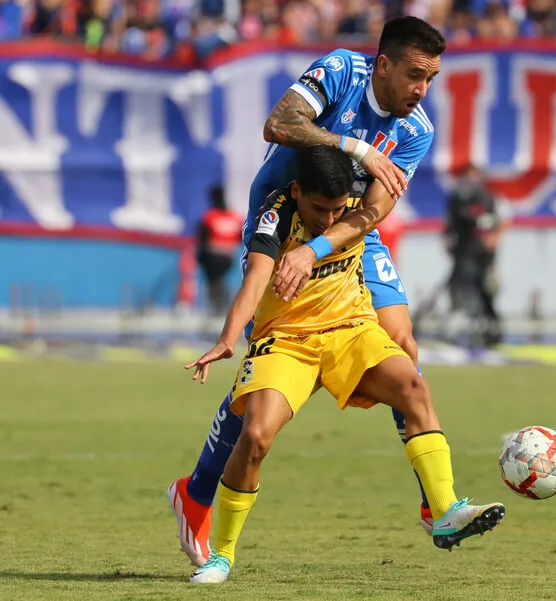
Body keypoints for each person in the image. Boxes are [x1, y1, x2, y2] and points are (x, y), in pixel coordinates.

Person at [167, 15, 447, 568]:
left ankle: (434, 503)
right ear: (384, 65)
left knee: (404, 347)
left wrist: (318, 250)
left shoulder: (417, 132)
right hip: (283, 221)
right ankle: (197, 491)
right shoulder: (342, 70)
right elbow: (279, 123)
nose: (422, 90)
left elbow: (374, 212)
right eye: (415, 75)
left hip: (347, 231)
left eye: (431, 79)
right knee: (268, 374)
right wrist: (357, 149)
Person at [184, 146, 505, 584]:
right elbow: (257, 277)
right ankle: (221, 556)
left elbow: (379, 204)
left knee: (412, 384)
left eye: (336, 211)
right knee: (256, 435)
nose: (328, 221)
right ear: (296, 191)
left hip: (350, 328)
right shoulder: (274, 215)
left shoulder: (360, 203)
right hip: (286, 340)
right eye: (318, 209)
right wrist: (225, 339)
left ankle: (445, 508)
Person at [444, 164, 507, 347]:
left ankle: (489, 329)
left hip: (483, 255)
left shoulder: (489, 198)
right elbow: (452, 223)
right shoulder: (458, 198)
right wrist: (449, 238)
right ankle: (460, 327)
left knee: (486, 290)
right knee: (461, 287)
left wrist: (492, 239)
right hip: (464, 252)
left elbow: (499, 222)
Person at [196, 184, 243, 315]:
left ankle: (217, 307)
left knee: (214, 281)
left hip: (212, 256)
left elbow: (202, 239)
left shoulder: (209, 217)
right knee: (218, 280)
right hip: (228, 258)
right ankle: (221, 306)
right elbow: (241, 237)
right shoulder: (235, 217)